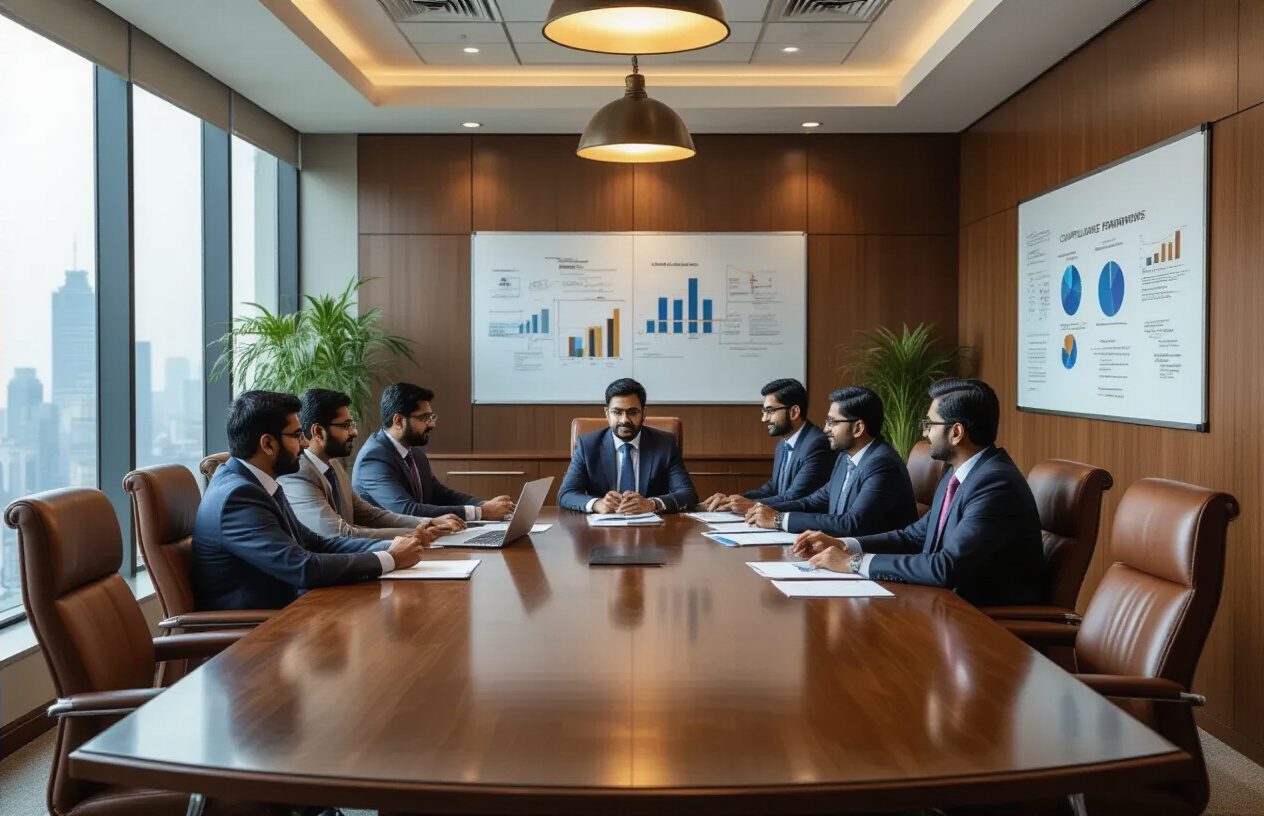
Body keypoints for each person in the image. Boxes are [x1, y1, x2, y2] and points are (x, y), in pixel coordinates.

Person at [797, 379, 1046, 607]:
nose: (925, 432)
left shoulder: (995, 484)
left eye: (930, 424)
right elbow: (913, 536)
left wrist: (853, 562)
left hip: (982, 620)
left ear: (956, 432)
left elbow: (945, 567)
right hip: (941, 604)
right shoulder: (958, 474)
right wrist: (842, 544)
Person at [192, 391, 430, 611]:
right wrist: (390, 559)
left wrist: (390, 546)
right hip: (255, 633)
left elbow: (316, 543)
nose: (305, 443)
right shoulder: (239, 496)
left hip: (290, 613)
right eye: (297, 436)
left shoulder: (257, 483)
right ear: (267, 444)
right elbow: (302, 567)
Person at [279, 388, 467, 540]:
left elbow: (369, 514)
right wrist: (413, 534)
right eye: (346, 426)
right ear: (318, 432)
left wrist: (427, 524)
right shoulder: (299, 473)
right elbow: (338, 533)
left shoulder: (333, 464)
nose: (354, 432)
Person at [744, 386, 917, 537]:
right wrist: (758, 507)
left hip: (873, 559)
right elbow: (812, 502)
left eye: (832, 422)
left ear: (858, 428)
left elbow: (852, 523)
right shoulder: (845, 457)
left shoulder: (882, 463)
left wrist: (778, 519)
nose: (825, 428)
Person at [353, 383, 515, 521]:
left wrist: (483, 505)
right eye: (425, 418)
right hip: (389, 543)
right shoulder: (374, 458)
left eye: (432, 417)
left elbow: (440, 494)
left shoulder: (415, 454)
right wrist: (481, 513)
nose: (432, 424)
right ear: (399, 421)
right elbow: (406, 510)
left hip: (421, 536)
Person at [558, 378, 698, 514]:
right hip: (601, 530)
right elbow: (566, 494)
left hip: (652, 531)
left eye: (632, 412)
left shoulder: (665, 443)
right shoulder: (588, 445)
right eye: (617, 412)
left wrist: (652, 504)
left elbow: (688, 494)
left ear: (644, 413)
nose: (624, 420)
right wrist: (597, 504)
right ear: (607, 413)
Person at [700, 378, 834, 514]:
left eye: (770, 411)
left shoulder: (817, 444)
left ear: (794, 412)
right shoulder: (783, 444)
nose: (764, 419)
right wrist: (733, 500)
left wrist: (749, 505)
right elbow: (772, 488)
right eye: (764, 412)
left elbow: (795, 496)